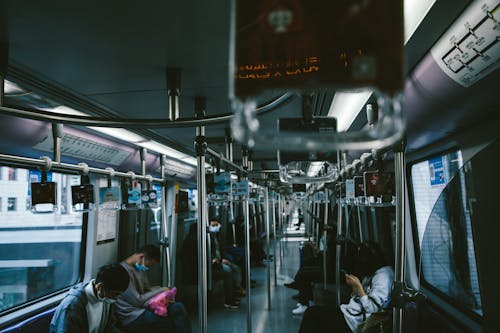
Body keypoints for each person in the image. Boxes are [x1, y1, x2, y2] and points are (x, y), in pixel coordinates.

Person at [298, 241, 394, 333]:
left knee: (311, 314)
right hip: (351, 314)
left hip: (355, 322)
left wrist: (358, 287)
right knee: (313, 315)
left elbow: (373, 308)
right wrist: (355, 289)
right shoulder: (374, 272)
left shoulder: (383, 277)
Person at [116, 244, 191, 333]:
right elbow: (138, 300)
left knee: (178, 307)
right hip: (132, 315)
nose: (147, 268)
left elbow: (147, 290)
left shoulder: (139, 268)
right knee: (167, 324)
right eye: (148, 265)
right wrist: (161, 290)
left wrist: (164, 297)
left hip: (144, 306)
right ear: (142, 257)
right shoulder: (122, 272)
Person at [50, 264, 130, 333]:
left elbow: (109, 327)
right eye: (115, 294)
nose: (116, 298)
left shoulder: (105, 298)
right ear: (100, 287)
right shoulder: (73, 305)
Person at [209, 217, 244, 308]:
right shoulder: (207, 239)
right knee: (228, 271)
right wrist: (220, 261)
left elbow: (221, 250)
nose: (216, 227)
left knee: (236, 267)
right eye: (213, 225)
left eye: (217, 225)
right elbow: (209, 256)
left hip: (220, 260)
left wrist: (224, 258)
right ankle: (228, 301)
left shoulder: (217, 236)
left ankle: (236, 290)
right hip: (212, 265)